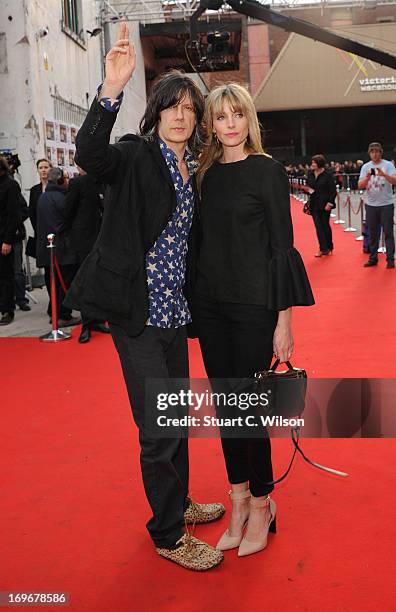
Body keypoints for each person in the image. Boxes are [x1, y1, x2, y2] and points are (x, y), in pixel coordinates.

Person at [64, 22, 224, 571]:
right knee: (158, 428)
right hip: (137, 316)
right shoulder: (135, 157)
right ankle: (167, 534)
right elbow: (89, 153)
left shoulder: (192, 170)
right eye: (170, 107)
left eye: (187, 108)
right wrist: (111, 90)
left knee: (176, 419)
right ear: (155, 113)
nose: (180, 116)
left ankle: (177, 503)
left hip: (175, 317)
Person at [194, 83, 314, 558]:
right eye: (221, 117)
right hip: (210, 305)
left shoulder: (269, 172)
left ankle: (263, 503)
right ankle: (238, 500)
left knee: (248, 410)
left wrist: (284, 321)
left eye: (236, 115)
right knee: (227, 409)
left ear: (248, 120)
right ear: (212, 124)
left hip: (253, 308)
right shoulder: (203, 175)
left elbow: (280, 250)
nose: (229, 124)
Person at [62, 166, 109, 343]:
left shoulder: (104, 181)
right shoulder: (77, 183)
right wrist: (67, 235)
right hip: (84, 241)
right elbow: (68, 211)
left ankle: (98, 320)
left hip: (103, 239)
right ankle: (87, 324)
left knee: (100, 281)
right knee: (86, 282)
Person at [36, 167, 81, 327]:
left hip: (50, 250)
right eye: (66, 179)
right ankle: (63, 315)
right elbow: (68, 222)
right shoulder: (62, 199)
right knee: (63, 284)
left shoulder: (44, 197)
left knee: (53, 283)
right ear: (60, 181)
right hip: (62, 250)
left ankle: (55, 312)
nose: (68, 182)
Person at [358, 142, 396, 269]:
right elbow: (360, 185)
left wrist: (384, 174)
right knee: (373, 233)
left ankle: (390, 259)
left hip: (386, 204)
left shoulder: (388, 165)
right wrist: (367, 178)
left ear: (381, 152)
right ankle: (373, 257)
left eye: (377, 151)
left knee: (388, 232)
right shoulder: (365, 167)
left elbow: (395, 181)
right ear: (369, 153)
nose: (375, 154)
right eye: (372, 151)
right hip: (371, 204)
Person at [0, 156, 22, 325]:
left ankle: (8, 310)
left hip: (4, 238)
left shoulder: (11, 185)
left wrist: (7, 240)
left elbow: (13, 215)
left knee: (6, 276)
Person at [304, 154, 336, 257]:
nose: (312, 164)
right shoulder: (310, 173)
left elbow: (333, 190)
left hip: (325, 204)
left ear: (319, 163)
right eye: (312, 162)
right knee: (318, 226)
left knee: (325, 226)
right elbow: (308, 186)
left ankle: (329, 246)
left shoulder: (328, 174)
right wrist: (307, 190)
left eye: (314, 162)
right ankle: (323, 249)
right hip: (314, 204)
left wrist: (330, 203)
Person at [28, 159, 52, 257]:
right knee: (45, 261)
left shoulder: (57, 187)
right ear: (37, 170)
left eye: (46, 167)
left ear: (51, 169)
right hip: (40, 231)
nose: (43, 170)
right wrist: (37, 229)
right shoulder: (34, 190)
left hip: (54, 230)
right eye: (40, 168)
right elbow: (32, 212)